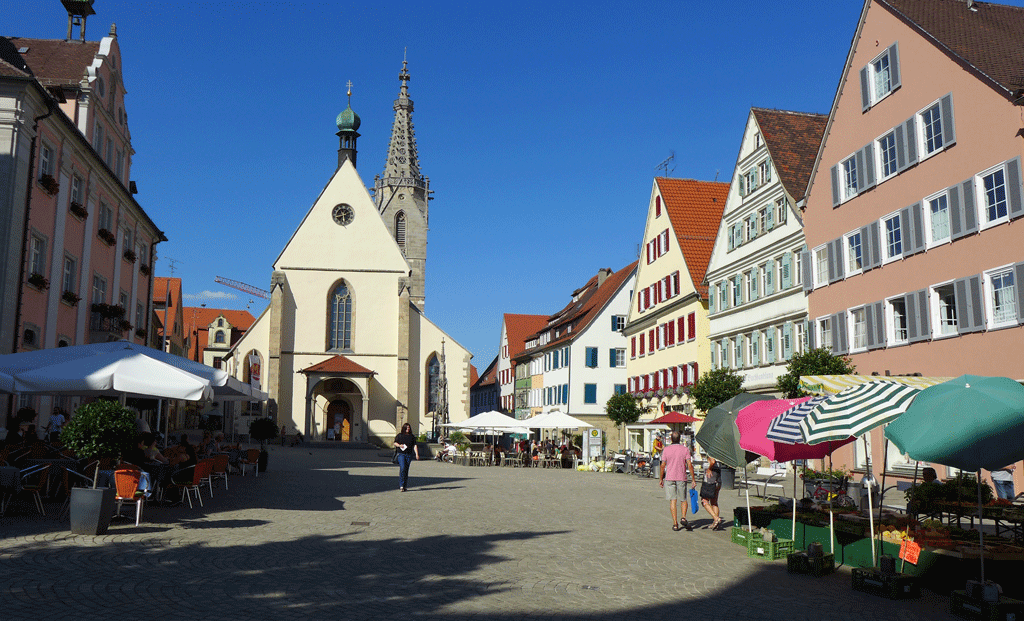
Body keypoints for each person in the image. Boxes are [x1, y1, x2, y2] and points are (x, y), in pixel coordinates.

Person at [659, 430, 696, 531]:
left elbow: (662, 465)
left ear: (671, 439)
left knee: (673, 500)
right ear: (680, 439)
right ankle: (683, 517)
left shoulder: (666, 450)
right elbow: (690, 465)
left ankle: (675, 524)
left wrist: (661, 478)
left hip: (669, 477)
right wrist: (693, 479)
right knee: (683, 499)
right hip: (681, 477)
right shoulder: (685, 450)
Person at [699, 455, 724, 530]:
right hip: (718, 481)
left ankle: (716, 518)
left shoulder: (711, 452)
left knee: (704, 500)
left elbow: (712, 461)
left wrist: (709, 469)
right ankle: (715, 523)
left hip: (710, 481)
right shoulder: (719, 454)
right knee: (714, 502)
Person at [392, 422, 419, 492]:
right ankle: (401, 485)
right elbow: (395, 443)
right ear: (404, 428)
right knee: (403, 468)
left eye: (409, 428)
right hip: (401, 454)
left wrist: (417, 454)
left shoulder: (412, 436)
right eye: (406, 428)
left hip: (409, 455)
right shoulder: (400, 435)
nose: (408, 429)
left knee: (406, 470)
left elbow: (414, 445)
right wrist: (399, 445)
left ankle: (404, 486)